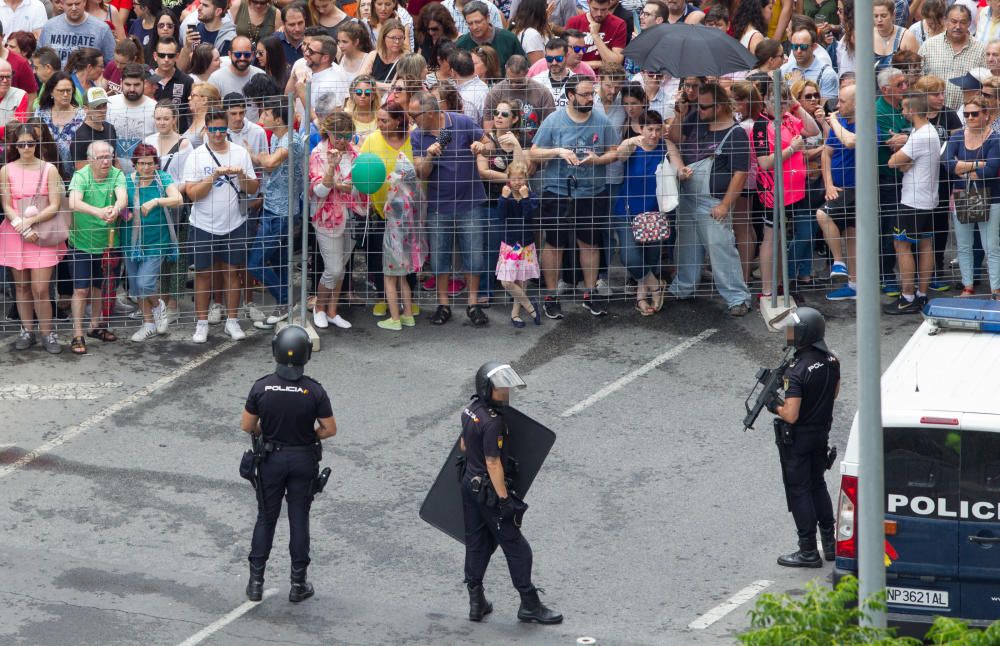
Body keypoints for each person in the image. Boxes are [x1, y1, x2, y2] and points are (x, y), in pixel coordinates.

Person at [459, 361, 563, 624]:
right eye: (500, 389)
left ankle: (476, 602)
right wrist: (504, 500)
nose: (505, 393)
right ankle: (529, 604)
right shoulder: (494, 423)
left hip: (469, 485)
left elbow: (463, 445)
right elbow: (493, 463)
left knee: (476, 544)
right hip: (489, 492)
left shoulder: (471, 410)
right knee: (518, 548)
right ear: (486, 389)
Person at [241, 324, 338, 604]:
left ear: (276, 352)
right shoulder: (314, 391)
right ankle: (298, 584)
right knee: (299, 520)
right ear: (306, 355)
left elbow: (247, 425)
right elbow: (329, 429)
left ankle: (256, 582)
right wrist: (308, 436)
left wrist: (267, 433)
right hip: (302, 459)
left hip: (271, 458)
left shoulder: (261, 387)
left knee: (266, 518)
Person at [529, 76, 619, 319]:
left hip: (591, 192)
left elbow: (614, 152)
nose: (591, 99)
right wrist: (558, 151)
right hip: (557, 191)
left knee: (589, 243)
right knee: (554, 243)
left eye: (592, 94)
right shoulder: (554, 120)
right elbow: (534, 152)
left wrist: (598, 159)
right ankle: (550, 296)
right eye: (585, 95)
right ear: (570, 95)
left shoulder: (601, 120)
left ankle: (589, 294)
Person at [670, 82, 752, 315]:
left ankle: (738, 298)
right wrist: (679, 115)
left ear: (719, 107)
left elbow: (741, 173)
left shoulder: (736, 133)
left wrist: (725, 204)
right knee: (686, 247)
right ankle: (682, 288)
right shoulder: (696, 117)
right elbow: (675, 137)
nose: (699, 109)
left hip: (713, 202)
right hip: (687, 196)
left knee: (721, 249)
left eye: (704, 107)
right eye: (698, 105)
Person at [410, 90, 490, 326]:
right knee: (440, 259)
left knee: (474, 256)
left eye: (415, 115)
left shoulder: (462, 121)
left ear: (431, 112)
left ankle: (473, 304)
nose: (412, 119)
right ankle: (443, 304)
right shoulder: (417, 136)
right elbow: (421, 173)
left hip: (470, 201)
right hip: (438, 205)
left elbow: (487, 143)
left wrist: (480, 146)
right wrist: (429, 155)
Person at [181, 110, 259, 343]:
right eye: (213, 129)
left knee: (232, 272)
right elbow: (192, 194)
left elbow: (253, 187)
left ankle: (232, 321)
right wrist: (213, 176)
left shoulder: (240, 153)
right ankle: (202, 323)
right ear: (206, 129)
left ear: (227, 129)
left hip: (234, 222)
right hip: (203, 224)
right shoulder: (196, 155)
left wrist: (240, 175)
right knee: (203, 274)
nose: (217, 134)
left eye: (221, 129)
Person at [770, 307, 840, 568]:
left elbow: (791, 414)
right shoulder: (832, 360)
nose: (788, 335)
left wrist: (773, 405)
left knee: (799, 491)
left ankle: (808, 550)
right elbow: (833, 393)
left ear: (803, 334)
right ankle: (830, 545)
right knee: (817, 484)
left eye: (792, 330)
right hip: (821, 433)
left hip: (798, 438)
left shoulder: (796, 370)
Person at [0, 123, 67, 354]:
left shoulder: (49, 169)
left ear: (36, 144)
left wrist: (29, 222)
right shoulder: (6, 170)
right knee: (21, 286)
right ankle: (26, 330)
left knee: (40, 288)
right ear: (15, 146)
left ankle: (47, 333)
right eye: (22, 144)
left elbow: (56, 205)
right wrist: (20, 225)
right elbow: (6, 204)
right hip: (15, 231)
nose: (26, 147)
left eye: (30, 143)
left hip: (42, 230)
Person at [66, 140, 127, 355]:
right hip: (81, 242)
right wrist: (99, 212)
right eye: (100, 157)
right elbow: (73, 202)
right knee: (81, 289)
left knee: (102, 288)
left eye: (108, 157)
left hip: (108, 244)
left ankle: (95, 326)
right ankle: (77, 333)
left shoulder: (117, 174)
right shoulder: (81, 175)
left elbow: (122, 197)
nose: (105, 161)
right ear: (90, 159)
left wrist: (116, 208)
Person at [248, 95, 304, 327]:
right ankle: (285, 305)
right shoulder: (279, 139)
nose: (261, 118)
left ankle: (285, 301)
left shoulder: (290, 140)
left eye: (266, 114)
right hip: (275, 209)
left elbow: (269, 164)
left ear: (279, 118)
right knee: (280, 261)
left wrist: (251, 153)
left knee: (255, 263)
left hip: (281, 213)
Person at [615, 110, 677, 315]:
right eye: (650, 129)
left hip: (655, 211)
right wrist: (632, 141)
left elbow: (679, 167)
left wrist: (684, 172)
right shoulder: (632, 146)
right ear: (640, 128)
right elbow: (619, 155)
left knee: (650, 256)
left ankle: (642, 296)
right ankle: (656, 285)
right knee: (630, 256)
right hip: (627, 209)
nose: (654, 134)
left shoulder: (665, 146)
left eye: (658, 129)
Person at [885, 94, 941, 315]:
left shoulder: (919, 136)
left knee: (902, 244)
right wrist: (904, 163)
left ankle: (907, 296)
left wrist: (902, 162)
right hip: (928, 199)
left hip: (913, 201)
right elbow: (903, 163)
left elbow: (892, 162)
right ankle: (922, 293)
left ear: (912, 111)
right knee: (926, 245)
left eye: (904, 109)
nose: (901, 113)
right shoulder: (928, 132)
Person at [122, 142, 183, 341]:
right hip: (131, 241)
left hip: (157, 240)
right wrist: (125, 214)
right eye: (141, 164)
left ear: (156, 163)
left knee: (145, 282)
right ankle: (148, 324)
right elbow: (117, 204)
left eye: (150, 163)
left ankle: (158, 306)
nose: (146, 168)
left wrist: (157, 201)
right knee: (136, 286)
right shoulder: (126, 181)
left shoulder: (162, 178)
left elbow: (178, 199)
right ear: (135, 164)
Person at [943, 95, 1000, 299]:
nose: (969, 118)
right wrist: (979, 164)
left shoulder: (995, 139)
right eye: (966, 114)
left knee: (990, 245)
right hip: (963, 194)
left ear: (986, 115)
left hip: (991, 196)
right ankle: (967, 286)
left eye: (974, 114)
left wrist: (963, 167)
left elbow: (991, 170)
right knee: (964, 244)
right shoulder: (958, 136)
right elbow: (948, 164)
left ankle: (996, 288)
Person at [309, 112, 358, 330]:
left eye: (347, 135)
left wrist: (346, 186)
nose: (342, 140)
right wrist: (331, 169)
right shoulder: (318, 153)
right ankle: (319, 307)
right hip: (326, 217)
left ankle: (332, 311)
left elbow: (360, 186)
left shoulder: (355, 153)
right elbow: (320, 190)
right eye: (338, 134)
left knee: (343, 265)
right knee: (334, 268)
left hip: (352, 215)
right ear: (328, 132)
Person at [818, 83, 859, 301]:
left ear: (856, 103)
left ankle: (839, 263)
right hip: (839, 187)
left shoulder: (864, 123)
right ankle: (854, 285)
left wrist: (832, 121)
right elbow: (827, 153)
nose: (837, 105)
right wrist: (828, 185)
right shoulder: (841, 122)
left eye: (842, 101)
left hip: (857, 189)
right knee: (851, 235)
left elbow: (851, 141)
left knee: (822, 215)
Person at [378, 157, 427, 330]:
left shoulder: (397, 197)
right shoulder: (416, 193)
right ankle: (408, 315)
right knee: (403, 279)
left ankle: (394, 318)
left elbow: (387, 214)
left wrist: (388, 201)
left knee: (389, 280)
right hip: (408, 244)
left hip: (393, 243)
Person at [495, 161, 541, 327]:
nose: (517, 182)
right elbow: (500, 216)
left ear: (526, 179)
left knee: (521, 280)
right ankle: (530, 306)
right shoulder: (505, 196)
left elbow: (529, 216)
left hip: (525, 244)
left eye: (520, 178)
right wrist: (503, 198)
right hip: (511, 245)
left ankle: (515, 314)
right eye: (513, 179)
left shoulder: (531, 196)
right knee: (507, 281)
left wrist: (525, 198)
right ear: (508, 179)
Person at [919, 5, 985, 110]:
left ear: (969, 23)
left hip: (967, 115)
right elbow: (919, 79)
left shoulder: (981, 49)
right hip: (933, 113)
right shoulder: (929, 46)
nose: (958, 26)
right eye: (953, 21)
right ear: (945, 21)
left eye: (962, 22)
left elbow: (985, 85)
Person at [107, 63, 158, 174]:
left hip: (144, 175)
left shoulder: (154, 108)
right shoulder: (109, 104)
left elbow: (159, 142)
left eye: (136, 85)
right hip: (112, 174)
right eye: (128, 84)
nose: (132, 89)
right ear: (121, 83)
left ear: (144, 84)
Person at [37, 71, 87, 181]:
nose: (65, 94)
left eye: (68, 91)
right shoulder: (40, 114)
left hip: (78, 177)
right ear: (51, 92)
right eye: (61, 91)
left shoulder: (82, 116)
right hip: (45, 176)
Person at [39, 0, 115, 67]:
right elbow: (40, 57)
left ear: (84, 2)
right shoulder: (49, 27)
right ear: (62, 3)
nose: (74, 8)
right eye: (69, 5)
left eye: (77, 4)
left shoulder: (101, 29)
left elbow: (112, 63)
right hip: (56, 81)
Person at [455, 1, 524, 71]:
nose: (474, 27)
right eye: (470, 23)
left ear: (488, 18)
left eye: (478, 22)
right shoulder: (461, 44)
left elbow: (523, 67)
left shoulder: (509, 39)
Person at [565, 0, 625, 72]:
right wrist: (598, 63)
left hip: (605, 78)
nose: (599, 14)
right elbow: (567, 61)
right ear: (588, 3)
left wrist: (595, 35)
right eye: (595, 9)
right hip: (577, 75)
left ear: (609, 5)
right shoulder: (574, 22)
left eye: (603, 9)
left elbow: (616, 63)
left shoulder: (619, 24)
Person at [781, 26, 838, 100]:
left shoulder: (826, 73)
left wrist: (795, 86)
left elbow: (826, 108)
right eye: (794, 46)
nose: (798, 51)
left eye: (803, 47)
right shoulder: (784, 70)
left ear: (813, 47)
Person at [152, 37, 195, 132]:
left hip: (179, 137)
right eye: (162, 55)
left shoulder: (187, 81)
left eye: (170, 56)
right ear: (155, 56)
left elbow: (193, 113)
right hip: (152, 137)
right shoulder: (147, 80)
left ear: (177, 56)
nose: (166, 59)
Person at [509, 0, 550, 66]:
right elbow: (538, 68)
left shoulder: (521, 30)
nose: (547, 11)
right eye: (545, 7)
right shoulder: (532, 35)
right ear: (539, 11)